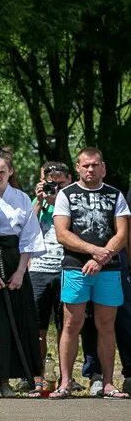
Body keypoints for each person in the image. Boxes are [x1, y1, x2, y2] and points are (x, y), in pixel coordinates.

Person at [51, 147, 130, 399]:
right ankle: (65, 383)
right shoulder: (66, 194)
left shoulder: (115, 195)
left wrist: (103, 256)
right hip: (75, 267)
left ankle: (108, 383)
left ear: (103, 167)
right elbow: (62, 233)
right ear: (78, 167)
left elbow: (122, 234)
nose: (90, 169)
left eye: (95, 165)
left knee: (106, 325)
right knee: (72, 324)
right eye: (85, 165)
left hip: (108, 270)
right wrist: (93, 251)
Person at [0, 151, 45, 398]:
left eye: (2, 172)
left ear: (11, 172)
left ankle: (6, 379)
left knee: (13, 320)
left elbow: (29, 237)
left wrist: (20, 272)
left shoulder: (21, 198)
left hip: (14, 261)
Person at [27, 162, 72, 395]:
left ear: (69, 179)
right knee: (38, 326)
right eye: (51, 183)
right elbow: (27, 229)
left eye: (60, 183)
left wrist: (59, 202)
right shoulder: (38, 202)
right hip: (39, 269)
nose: (56, 188)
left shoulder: (73, 200)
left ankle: (66, 377)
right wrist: (40, 201)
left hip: (67, 267)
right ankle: (38, 375)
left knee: (66, 325)